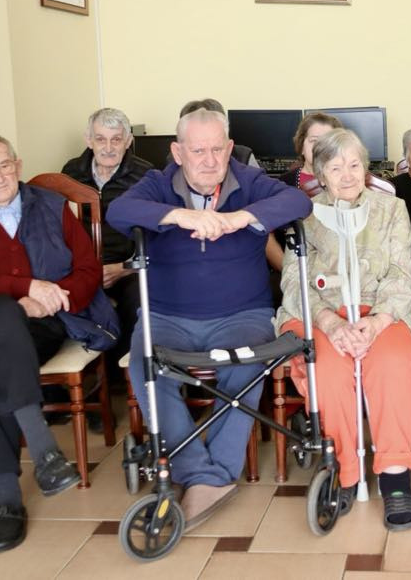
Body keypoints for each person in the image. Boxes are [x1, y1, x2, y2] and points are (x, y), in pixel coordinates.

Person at [107, 109, 311, 531]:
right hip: (167, 315)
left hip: (242, 314)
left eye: (218, 149)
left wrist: (240, 218)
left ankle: (208, 478)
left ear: (230, 148)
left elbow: (299, 201)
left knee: (247, 366)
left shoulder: (248, 181)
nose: (209, 159)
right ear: (177, 152)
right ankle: (205, 474)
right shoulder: (158, 184)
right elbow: (119, 211)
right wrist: (180, 216)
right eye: (198, 151)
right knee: (146, 367)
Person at [0, 134, 119, 554]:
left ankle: (6, 495)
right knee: (1, 314)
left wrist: (51, 298)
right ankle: (42, 448)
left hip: (41, 324)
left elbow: (88, 270)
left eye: (4, 165)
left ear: (17, 165)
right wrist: (25, 289)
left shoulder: (51, 207)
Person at [277, 129, 411, 531]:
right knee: (328, 368)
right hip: (319, 314)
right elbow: (293, 280)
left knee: (390, 364)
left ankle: (394, 474)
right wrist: (331, 322)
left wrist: (375, 322)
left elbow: (402, 274)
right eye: (336, 167)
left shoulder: (391, 209)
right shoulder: (305, 214)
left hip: (382, 313)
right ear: (321, 173)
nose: (347, 175)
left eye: (355, 165)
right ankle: (344, 472)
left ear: (366, 168)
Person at [61, 108, 152, 381]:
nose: (108, 148)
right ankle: (84, 383)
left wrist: (124, 268)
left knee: (138, 299)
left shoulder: (146, 175)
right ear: (89, 140)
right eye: (101, 139)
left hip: (127, 267)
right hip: (82, 268)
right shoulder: (71, 173)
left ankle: (128, 382)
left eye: (116, 139)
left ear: (128, 141)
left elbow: (157, 235)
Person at [266, 112, 343, 272]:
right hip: (297, 271)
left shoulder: (350, 182)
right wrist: (292, 273)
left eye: (327, 141)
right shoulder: (282, 185)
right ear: (302, 146)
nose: (320, 147)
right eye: (314, 141)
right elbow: (268, 237)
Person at [179, 98, 259, 168]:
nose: (210, 163)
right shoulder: (176, 161)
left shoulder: (243, 156)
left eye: (217, 150)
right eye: (198, 151)